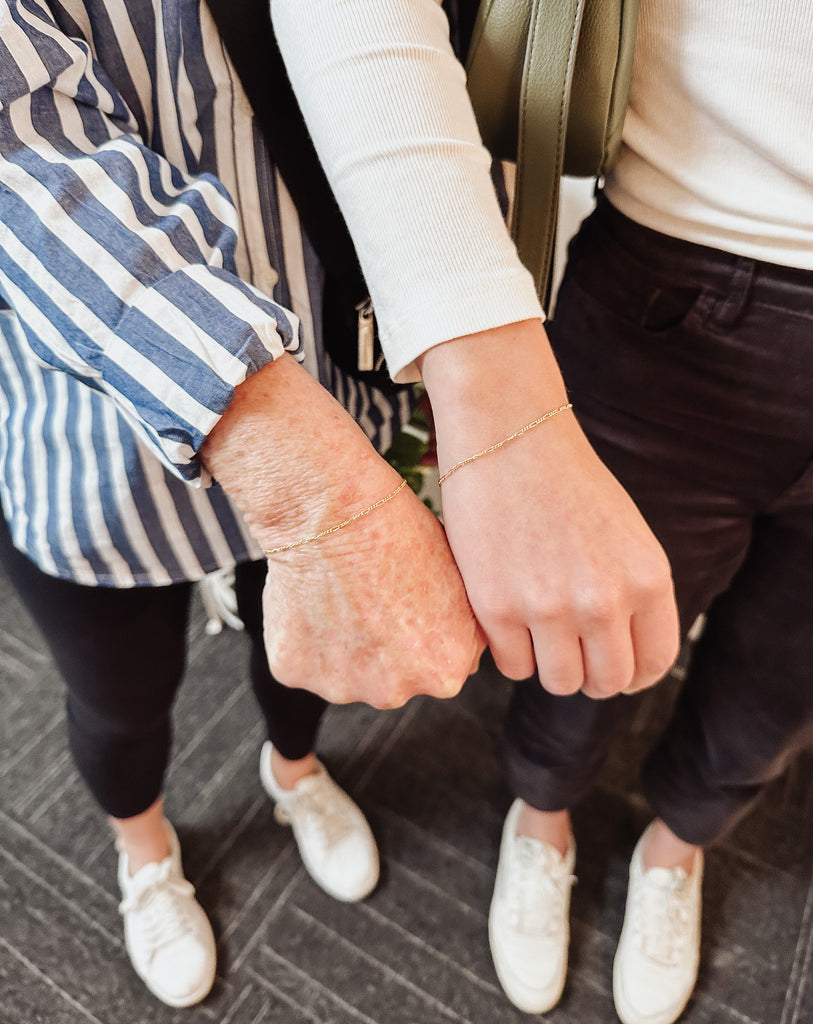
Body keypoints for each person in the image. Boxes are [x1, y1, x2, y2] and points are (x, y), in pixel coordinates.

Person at [269, 2, 813, 1023]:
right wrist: (487, 378)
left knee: (791, 683)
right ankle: (542, 819)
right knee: (579, 651)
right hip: (701, 265)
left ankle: (678, 846)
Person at [0, 0, 486, 1008]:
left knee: (307, 648)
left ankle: (294, 773)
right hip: (88, 415)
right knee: (120, 695)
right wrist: (320, 496)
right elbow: (27, 155)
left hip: (327, 348)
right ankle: (145, 855)